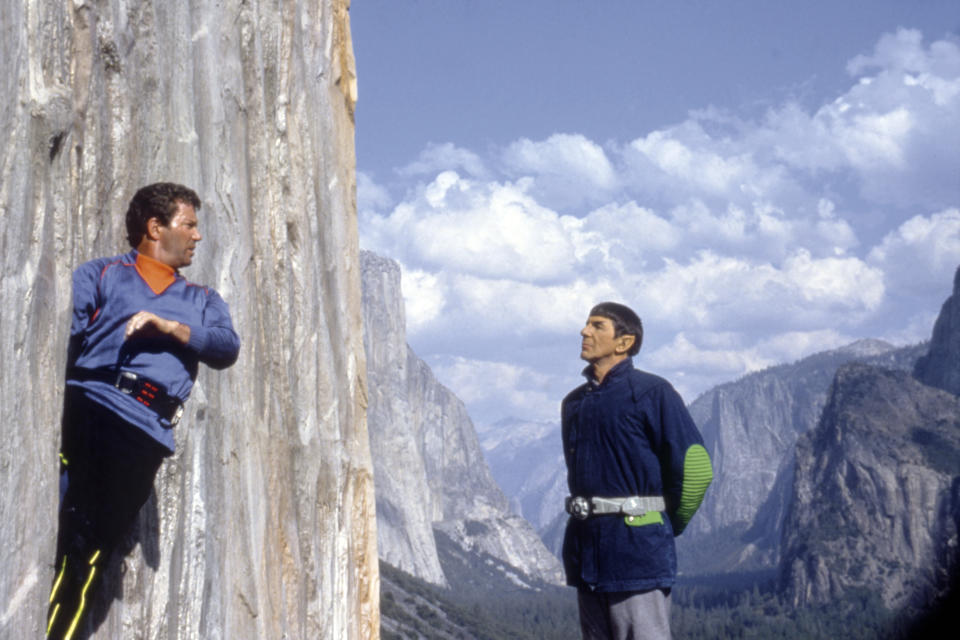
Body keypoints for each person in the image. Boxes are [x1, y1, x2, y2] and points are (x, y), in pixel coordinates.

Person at [46, 182, 240, 640]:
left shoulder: (203, 301)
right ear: (156, 227)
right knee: (62, 525)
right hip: (90, 408)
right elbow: (66, 339)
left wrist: (169, 326)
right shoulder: (101, 274)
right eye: (189, 225)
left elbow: (226, 348)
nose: (197, 236)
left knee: (92, 548)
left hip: (143, 431)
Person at [561, 302, 712, 640]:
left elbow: (697, 468)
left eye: (597, 326)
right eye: (586, 324)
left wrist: (662, 524)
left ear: (624, 342)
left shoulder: (651, 393)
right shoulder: (574, 403)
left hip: (637, 556)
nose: (584, 332)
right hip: (587, 558)